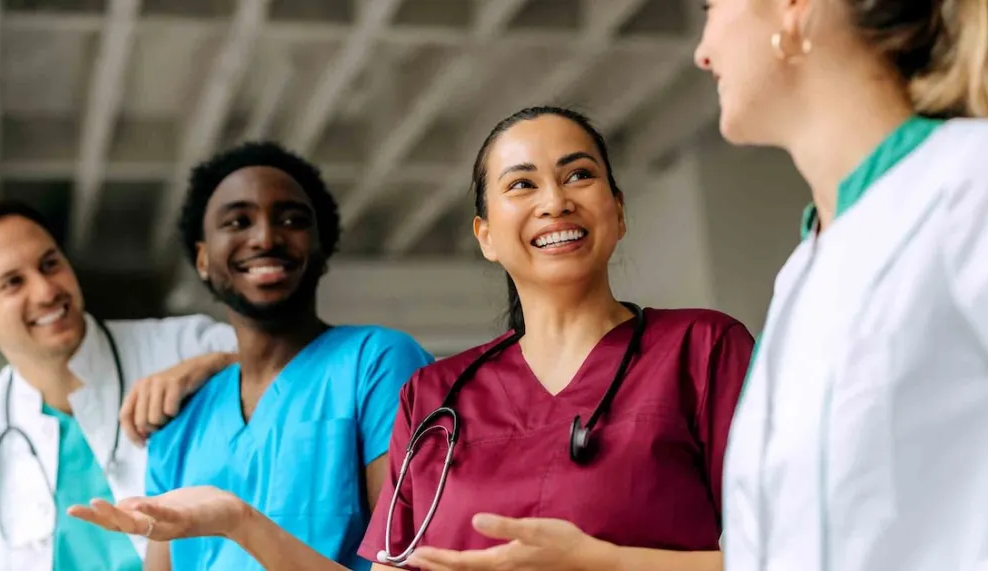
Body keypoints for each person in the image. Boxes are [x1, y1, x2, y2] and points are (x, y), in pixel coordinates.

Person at [68, 107, 756, 571]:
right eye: (522, 184)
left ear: (618, 209)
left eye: (579, 174)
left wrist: (599, 560)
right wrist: (238, 520)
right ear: (484, 234)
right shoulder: (436, 392)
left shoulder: (704, 350)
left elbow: (803, 548)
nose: (554, 200)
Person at [693, 0, 988, 569]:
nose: (702, 52)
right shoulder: (801, 274)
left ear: (793, 9)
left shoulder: (985, 178)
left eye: (711, 8)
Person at [71, 142, 436, 571]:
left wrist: (239, 522)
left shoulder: (379, 364)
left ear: (321, 249)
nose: (265, 237)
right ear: (203, 258)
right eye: (238, 221)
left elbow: (408, 563)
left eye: (291, 220)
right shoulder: (180, 421)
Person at [0, 200, 240, 571]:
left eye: (50, 264)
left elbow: (304, 373)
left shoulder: (187, 346)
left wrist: (217, 365)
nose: (46, 291)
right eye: (13, 282)